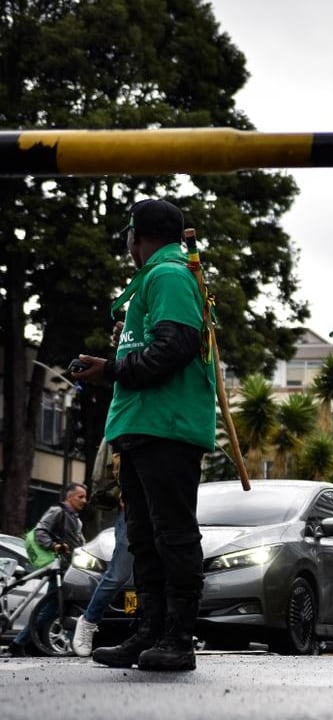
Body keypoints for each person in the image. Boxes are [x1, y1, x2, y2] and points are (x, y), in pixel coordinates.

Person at [70, 198, 216, 673]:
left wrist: (110, 368)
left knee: (172, 534)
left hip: (167, 426)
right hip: (141, 425)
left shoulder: (169, 274)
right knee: (145, 537)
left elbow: (176, 345)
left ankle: (178, 637)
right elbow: (159, 342)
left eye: (128, 236)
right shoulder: (154, 279)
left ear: (136, 236)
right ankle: (150, 632)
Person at [8, 484, 87, 656]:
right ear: (69, 497)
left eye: (85, 497)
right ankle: (18, 643)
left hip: (70, 570)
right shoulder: (58, 512)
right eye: (80, 497)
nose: (84, 501)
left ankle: (22, 644)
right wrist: (54, 546)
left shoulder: (76, 519)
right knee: (51, 607)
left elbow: (80, 545)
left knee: (60, 608)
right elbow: (41, 531)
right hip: (59, 568)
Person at [71, 509, 134, 657]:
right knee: (119, 574)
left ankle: (155, 632)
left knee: (155, 576)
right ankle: (89, 620)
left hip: (163, 511)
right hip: (134, 511)